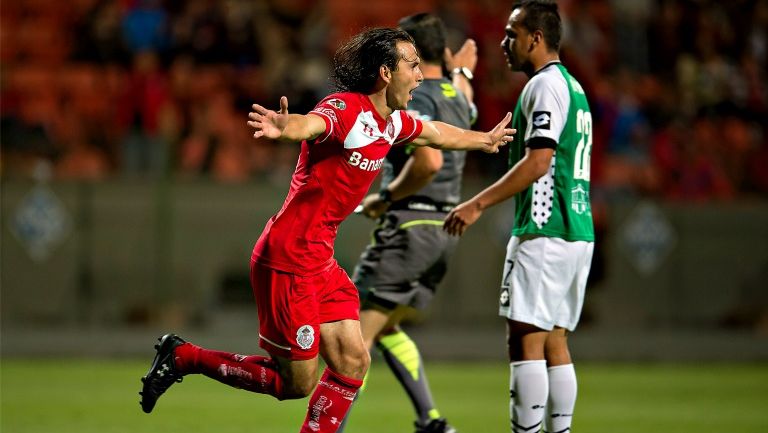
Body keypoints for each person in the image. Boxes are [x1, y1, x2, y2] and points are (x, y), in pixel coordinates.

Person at [138, 27, 516, 433]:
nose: (421, 76)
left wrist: (485, 139)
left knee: (354, 360)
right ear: (386, 73)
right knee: (296, 384)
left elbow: (436, 134)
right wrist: (286, 127)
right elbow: (312, 123)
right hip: (288, 258)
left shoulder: (391, 123)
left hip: (319, 259)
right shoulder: (346, 109)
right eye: (413, 66)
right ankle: (184, 357)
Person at [443, 2, 594, 433]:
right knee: (555, 341)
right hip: (577, 231)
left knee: (525, 338)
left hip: (545, 231)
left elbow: (538, 162)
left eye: (513, 34)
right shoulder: (574, 87)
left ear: (536, 38)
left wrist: (477, 204)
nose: (504, 43)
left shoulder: (544, 87)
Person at [339, 13, 477, 433]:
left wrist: (386, 196)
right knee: (387, 325)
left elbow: (429, 160)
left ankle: (329, 428)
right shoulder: (460, 95)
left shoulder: (417, 96)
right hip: (442, 231)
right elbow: (462, 88)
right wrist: (463, 68)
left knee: (353, 343)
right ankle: (431, 420)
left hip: (410, 224)